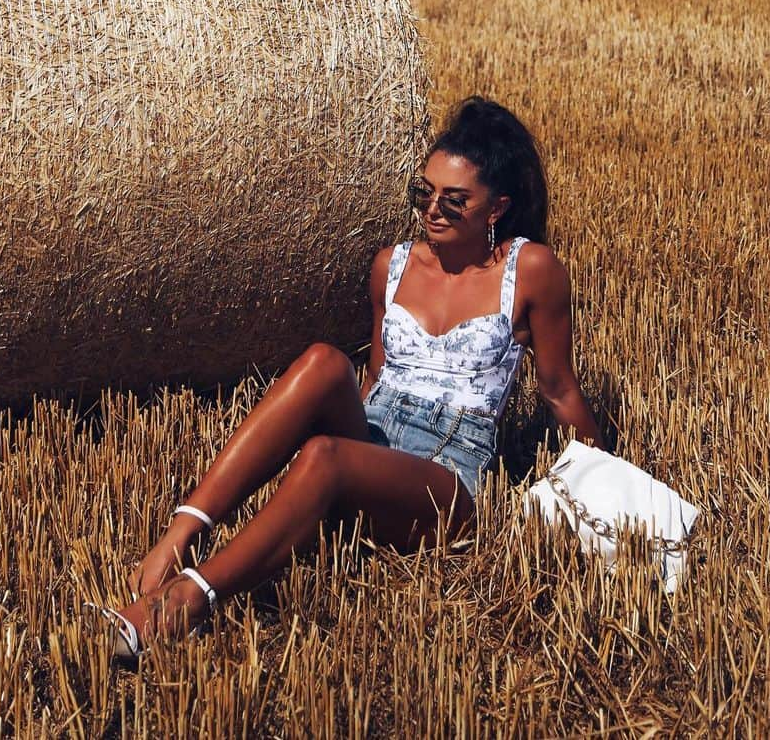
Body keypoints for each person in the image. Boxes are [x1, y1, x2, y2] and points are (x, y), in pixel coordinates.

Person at [98, 96, 603, 658]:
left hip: (448, 477)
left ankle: (188, 600)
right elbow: (375, 380)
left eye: (454, 201)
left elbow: (559, 391)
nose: (433, 210)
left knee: (325, 455)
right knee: (321, 361)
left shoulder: (530, 269)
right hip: (377, 435)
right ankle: (181, 533)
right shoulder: (393, 263)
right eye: (424, 193)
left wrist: (607, 482)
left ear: (496, 209)